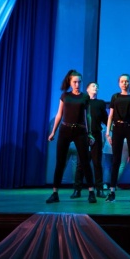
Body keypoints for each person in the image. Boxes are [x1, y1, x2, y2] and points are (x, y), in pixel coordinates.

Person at [46, 70, 96, 204]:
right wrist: (53, 131)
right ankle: (55, 193)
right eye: (75, 82)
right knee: (60, 162)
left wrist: (89, 133)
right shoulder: (65, 96)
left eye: (79, 82)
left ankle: (91, 192)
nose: (77, 84)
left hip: (80, 131)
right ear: (70, 82)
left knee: (85, 162)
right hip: (65, 130)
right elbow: (59, 114)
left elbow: (88, 116)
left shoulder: (85, 97)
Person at [105, 74, 130, 203]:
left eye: (126, 81)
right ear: (119, 83)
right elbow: (110, 115)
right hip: (117, 128)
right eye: (122, 81)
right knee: (116, 160)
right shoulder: (115, 97)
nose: (124, 83)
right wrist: (107, 132)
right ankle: (112, 192)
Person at [71, 82, 108, 198]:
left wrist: (111, 128)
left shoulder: (100, 103)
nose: (95, 88)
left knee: (97, 163)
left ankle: (99, 189)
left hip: (96, 135)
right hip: (83, 136)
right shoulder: (82, 101)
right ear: (87, 89)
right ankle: (77, 189)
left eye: (97, 86)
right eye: (93, 86)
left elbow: (106, 119)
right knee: (81, 163)